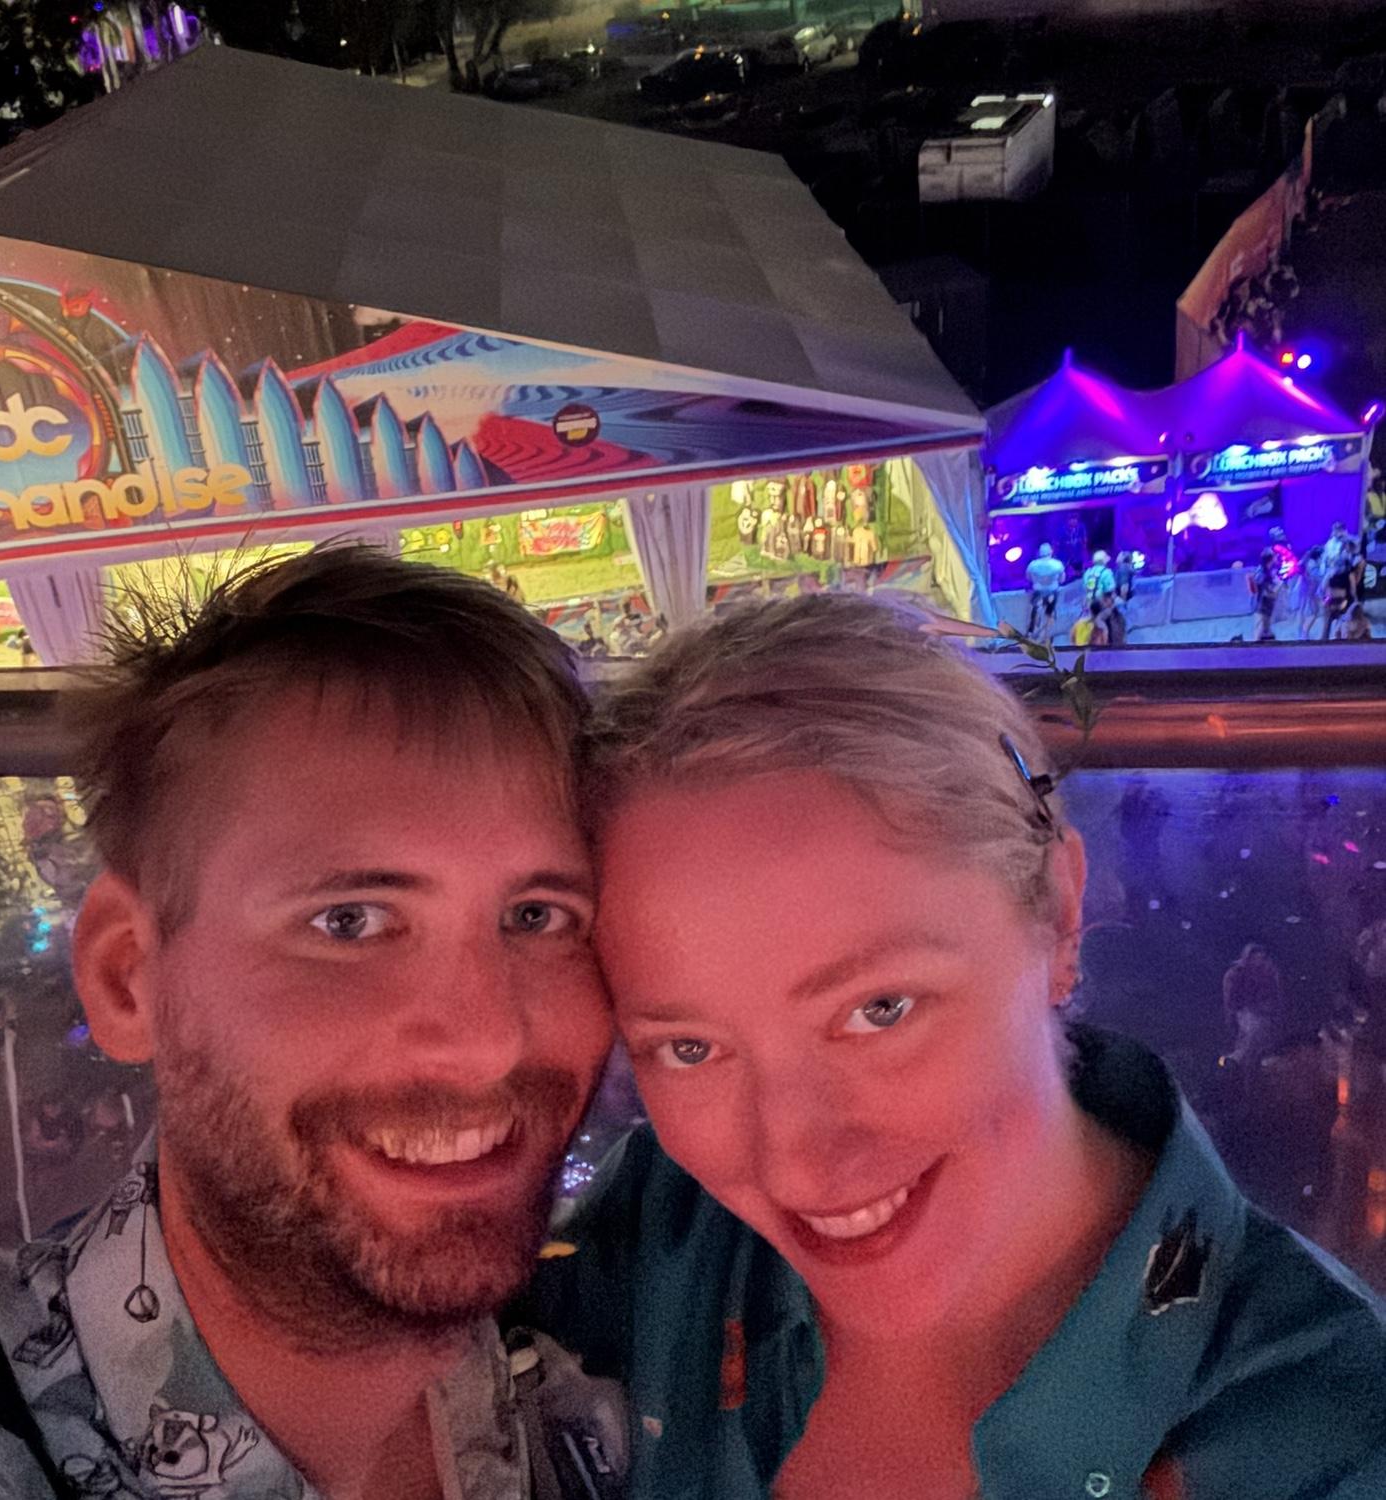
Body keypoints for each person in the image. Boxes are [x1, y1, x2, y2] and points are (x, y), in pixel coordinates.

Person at [535, 594, 1386, 1499]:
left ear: (1058, 911)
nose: (797, 1162)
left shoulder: (1329, 1440)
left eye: (880, 1009)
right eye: (690, 1048)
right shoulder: (657, 1237)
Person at [0, 548, 621, 1498]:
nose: (488, 1043)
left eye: (536, 916)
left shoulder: (636, 1346)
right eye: (349, 921)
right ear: (128, 978)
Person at [1023, 542, 1065, 639]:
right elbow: (1062, 579)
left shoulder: (1032, 565)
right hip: (1052, 591)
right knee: (1049, 613)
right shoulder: (1057, 564)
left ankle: (1031, 631)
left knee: (1034, 611)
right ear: (1051, 552)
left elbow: (1028, 578)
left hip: (1038, 591)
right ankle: (1047, 634)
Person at [1251, 547, 1281, 641]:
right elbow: (1267, 591)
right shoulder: (1262, 573)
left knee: (1266, 630)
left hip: (1267, 604)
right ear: (1271, 558)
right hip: (1261, 604)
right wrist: (1278, 586)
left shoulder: (1269, 571)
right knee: (1259, 629)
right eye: (1275, 556)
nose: (1277, 557)